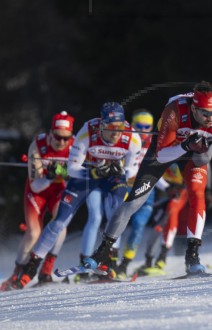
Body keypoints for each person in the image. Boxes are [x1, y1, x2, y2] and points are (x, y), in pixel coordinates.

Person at [83, 81, 212, 275]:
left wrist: (198, 149)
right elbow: (161, 156)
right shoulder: (174, 112)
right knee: (134, 202)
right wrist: (185, 145)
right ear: (194, 108)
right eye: (205, 113)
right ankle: (103, 251)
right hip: (165, 148)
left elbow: (203, 160)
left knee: (197, 192)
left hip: (189, 153)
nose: (210, 118)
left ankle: (192, 256)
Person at [13, 102, 141, 288]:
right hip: (87, 175)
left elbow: (132, 170)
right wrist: (94, 172)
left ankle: (109, 261)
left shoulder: (132, 138)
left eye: (120, 127)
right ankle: (31, 267)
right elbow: (72, 168)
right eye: (112, 127)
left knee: (118, 210)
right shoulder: (88, 131)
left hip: (113, 177)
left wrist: (120, 169)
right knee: (59, 221)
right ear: (101, 124)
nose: (116, 132)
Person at [1, 111, 75, 290]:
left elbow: (76, 177)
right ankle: (17, 271)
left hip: (59, 189)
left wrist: (62, 174)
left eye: (66, 138)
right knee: (34, 233)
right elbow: (36, 186)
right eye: (58, 137)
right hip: (38, 191)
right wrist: (50, 175)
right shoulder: (38, 145)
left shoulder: (74, 146)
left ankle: (46, 271)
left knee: (60, 226)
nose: (62, 142)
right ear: (51, 133)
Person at [113, 109, 155, 277]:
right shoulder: (126, 140)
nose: (144, 130)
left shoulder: (155, 142)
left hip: (147, 189)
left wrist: (168, 187)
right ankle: (110, 262)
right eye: (139, 126)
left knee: (138, 226)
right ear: (132, 125)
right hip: (126, 187)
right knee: (118, 223)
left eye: (147, 127)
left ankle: (124, 264)